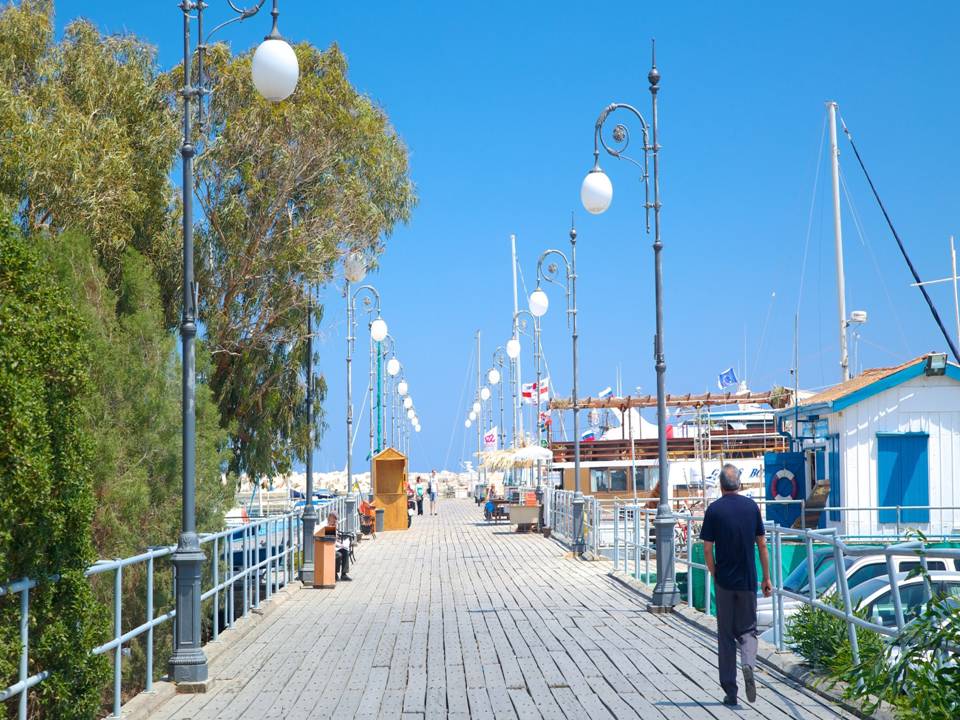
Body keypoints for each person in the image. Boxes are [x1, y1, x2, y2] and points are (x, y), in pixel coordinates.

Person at [700, 464, 772, 707]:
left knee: (726, 636)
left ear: (721, 485)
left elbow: (707, 548)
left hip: (725, 582)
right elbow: (762, 544)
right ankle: (748, 664)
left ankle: (731, 691)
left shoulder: (714, 510)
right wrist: (766, 577)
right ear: (739, 484)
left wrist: (714, 571)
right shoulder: (752, 508)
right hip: (748, 581)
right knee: (748, 630)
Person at [325, 512, 351, 582]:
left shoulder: (333, 526)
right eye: (335, 518)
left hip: (334, 547)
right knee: (338, 555)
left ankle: (344, 574)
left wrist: (340, 544)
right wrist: (339, 544)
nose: (335, 520)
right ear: (330, 517)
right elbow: (331, 540)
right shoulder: (327, 527)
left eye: (336, 519)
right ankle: (334, 574)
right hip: (328, 548)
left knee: (345, 552)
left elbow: (335, 538)